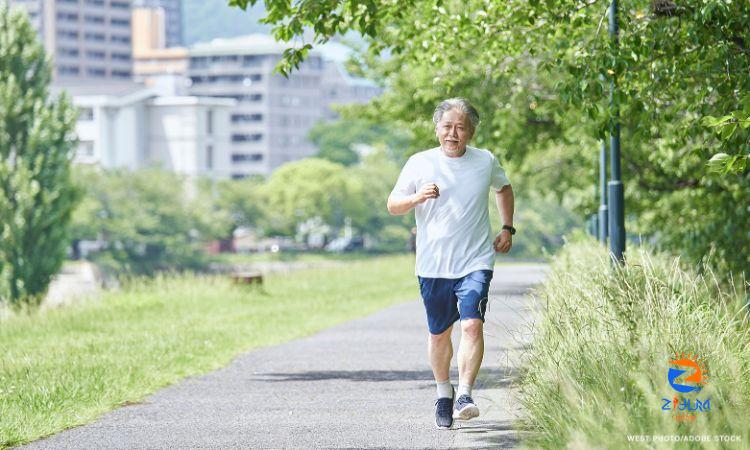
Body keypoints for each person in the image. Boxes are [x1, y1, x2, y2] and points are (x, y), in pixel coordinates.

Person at [386, 98, 515, 430]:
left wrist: (506, 226)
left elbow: (504, 187)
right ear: (437, 129)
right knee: (439, 334)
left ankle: (466, 395)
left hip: (476, 259)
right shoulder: (419, 162)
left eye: (460, 127)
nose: (453, 133)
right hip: (433, 265)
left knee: (472, 324)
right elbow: (393, 205)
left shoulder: (485, 161)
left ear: (471, 131)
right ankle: (444, 391)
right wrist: (417, 197)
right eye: (447, 126)